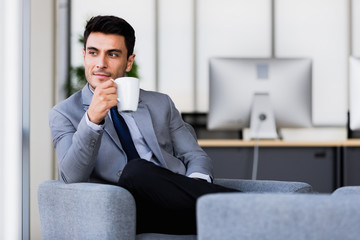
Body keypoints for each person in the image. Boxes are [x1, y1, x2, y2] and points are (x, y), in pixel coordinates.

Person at [49, 15, 238, 235]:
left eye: (112, 54)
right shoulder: (63, 113)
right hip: (131, 212)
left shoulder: (161, 103)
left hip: (176, 205)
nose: (100, 63)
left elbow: (195, 156)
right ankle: (246, 206)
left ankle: (231, 211)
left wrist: (194, 186)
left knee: (143, 172)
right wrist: (92, 119)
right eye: (93, 52)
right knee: (136, 171)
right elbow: (71, 177)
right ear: (84, 56)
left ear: (129, 61)